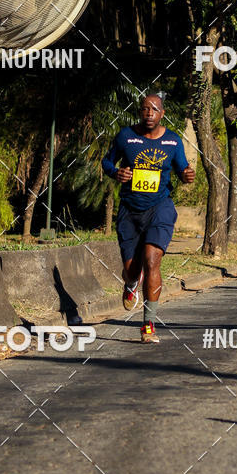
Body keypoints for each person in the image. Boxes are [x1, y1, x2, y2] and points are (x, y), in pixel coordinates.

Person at [102, 94, 195, 342]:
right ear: (140, 112)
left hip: (160, 207)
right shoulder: (126, 136)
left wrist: (186, 175)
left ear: (162, 113)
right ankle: (131, 282)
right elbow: (107, 162)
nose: (149, 113)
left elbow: (183, 168)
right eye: (145, 109)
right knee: (132, 269)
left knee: (152, 260)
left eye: (154, 109)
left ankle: (148, 325)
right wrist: (116, 172)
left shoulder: (173, 142)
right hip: (130, 209)